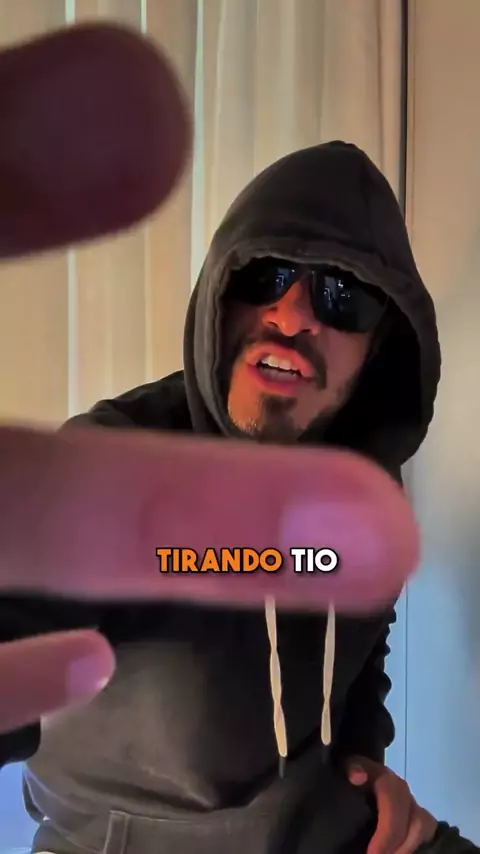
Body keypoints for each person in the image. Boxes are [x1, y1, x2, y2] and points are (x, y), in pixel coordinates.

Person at [0, 19, 475, 854]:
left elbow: (363, 640)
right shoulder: (118, 466)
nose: (291, 315)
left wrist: (367, 761)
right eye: (267, 275)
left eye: (343, 297)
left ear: (381, 347)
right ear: (220, 294)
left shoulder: (364, 481)